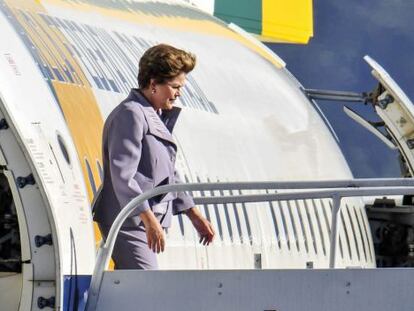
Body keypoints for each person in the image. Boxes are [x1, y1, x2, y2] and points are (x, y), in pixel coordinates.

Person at [93, 44, 215, 269]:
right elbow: (123, 176)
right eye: (175, 87)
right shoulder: (131, 114)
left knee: (142, 288)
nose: (179, 93)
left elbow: (169, 175)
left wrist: (194, 214)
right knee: (146, 282)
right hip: (128, 220)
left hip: (143, 220)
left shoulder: (154, 116)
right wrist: (148, 219)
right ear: (153, 84)